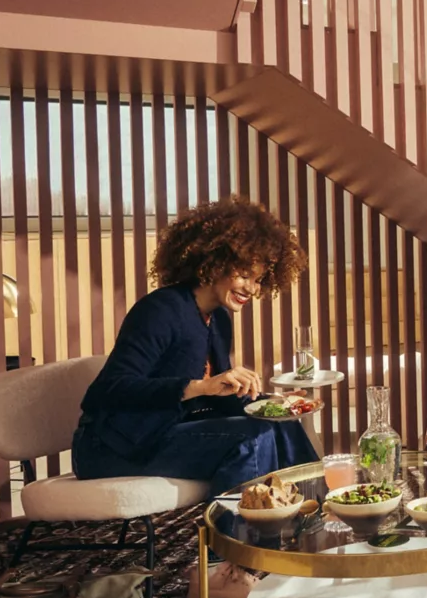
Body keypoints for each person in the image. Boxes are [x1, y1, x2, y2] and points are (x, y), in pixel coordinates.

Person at [72, 197, 315, 496]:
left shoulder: (219, 320)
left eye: (258, 280)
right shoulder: (161, 310)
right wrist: (198, 386)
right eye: (243, 275)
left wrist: (272, 403)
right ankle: (237, 538)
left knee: (282, 424)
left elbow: (221, 395)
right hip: (112, 447)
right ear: (212, 264)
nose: (251, 289)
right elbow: (108, 390)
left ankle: (312, 516)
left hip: (166, 433)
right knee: (250, 438)